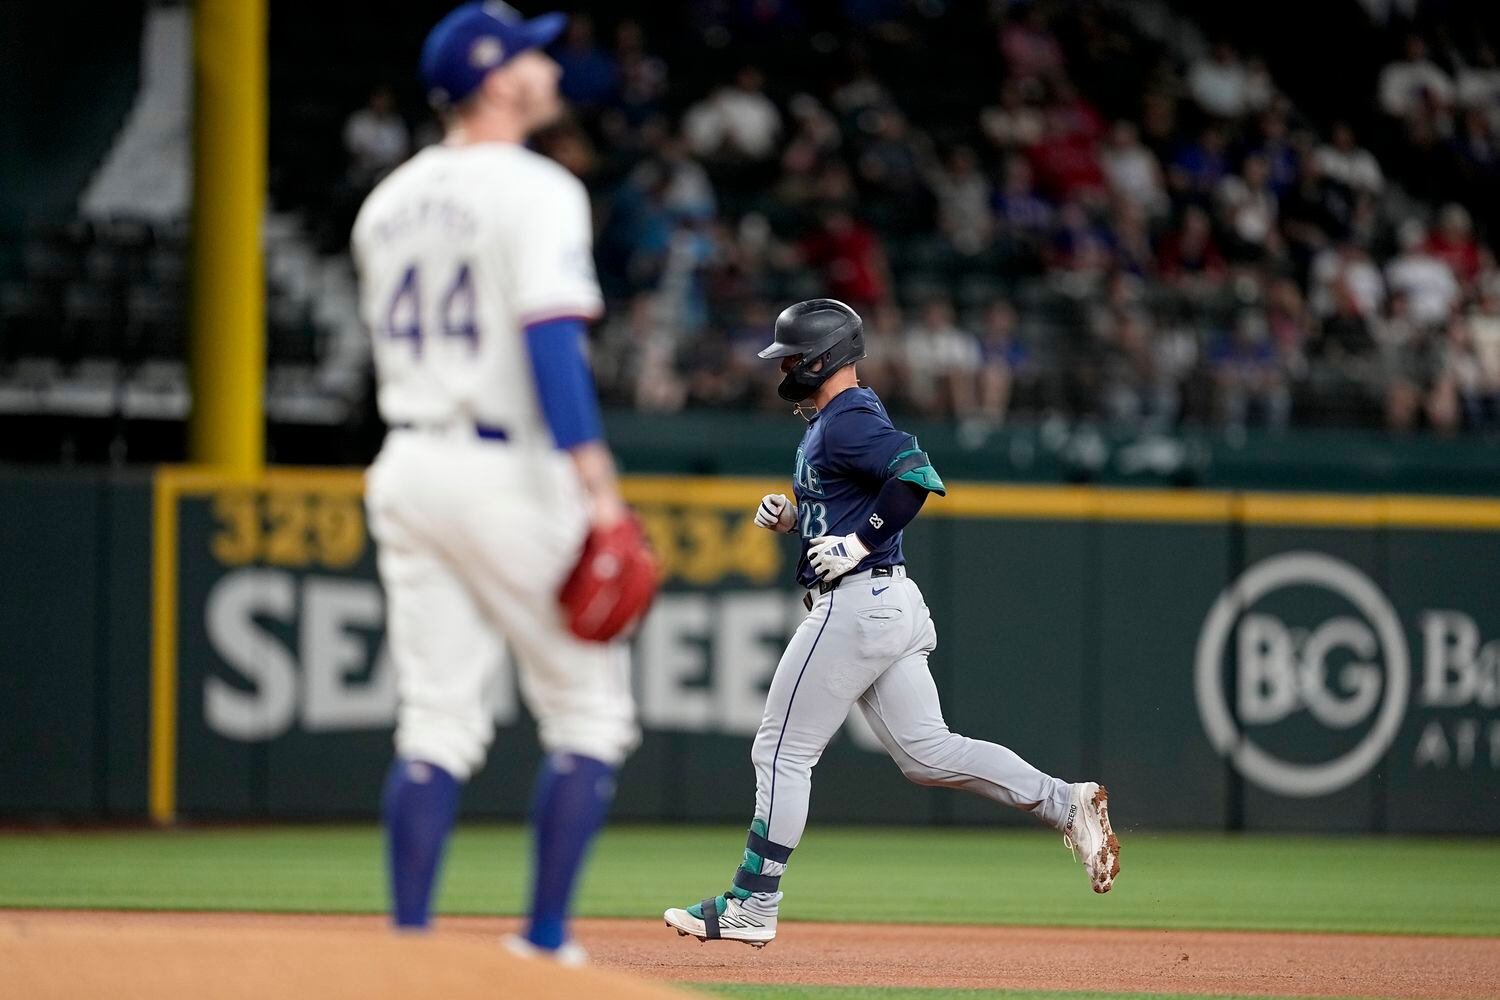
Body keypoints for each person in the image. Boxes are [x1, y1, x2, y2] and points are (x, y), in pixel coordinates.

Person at [662, 298, 1120, 948]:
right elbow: (851, 497)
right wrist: (798, 519)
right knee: (927, 753)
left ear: (820, 357)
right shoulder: (838, 418)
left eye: (791, 356)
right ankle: (1065, 801)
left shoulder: (846, 416)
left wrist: (859, 542)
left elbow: (916, 474)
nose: (783, 367)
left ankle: (753, 901)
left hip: (858, 601)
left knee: (781, 749)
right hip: (888, 603)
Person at [352, 3, 645, 964]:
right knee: (590, 712)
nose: (548, 63)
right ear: (496, 80)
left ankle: (407, 948)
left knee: (436, 718)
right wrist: (597, 488)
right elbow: (551, 344)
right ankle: (546, 942)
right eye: (530, 53)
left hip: (406, 460)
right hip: (504, 468)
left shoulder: (384, 202)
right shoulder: (537, 187)